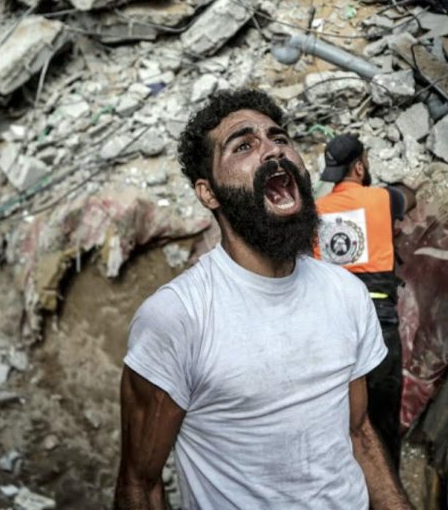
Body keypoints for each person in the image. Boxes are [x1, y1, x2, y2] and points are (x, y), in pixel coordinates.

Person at [114, 88, 414, 510]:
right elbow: (139, 485)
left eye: (280, 138)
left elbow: (359, 432)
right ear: (209, 193)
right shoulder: (178, 318)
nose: (273, 151)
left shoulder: (345, 293)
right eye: (244, 145)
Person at [314, 133, 416, 466]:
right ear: (359, 166)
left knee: (340, 423)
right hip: (379, 322)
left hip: (331, 328)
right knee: (383, 422)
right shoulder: (383, 199)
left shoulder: (314, 213)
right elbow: (408, 198)